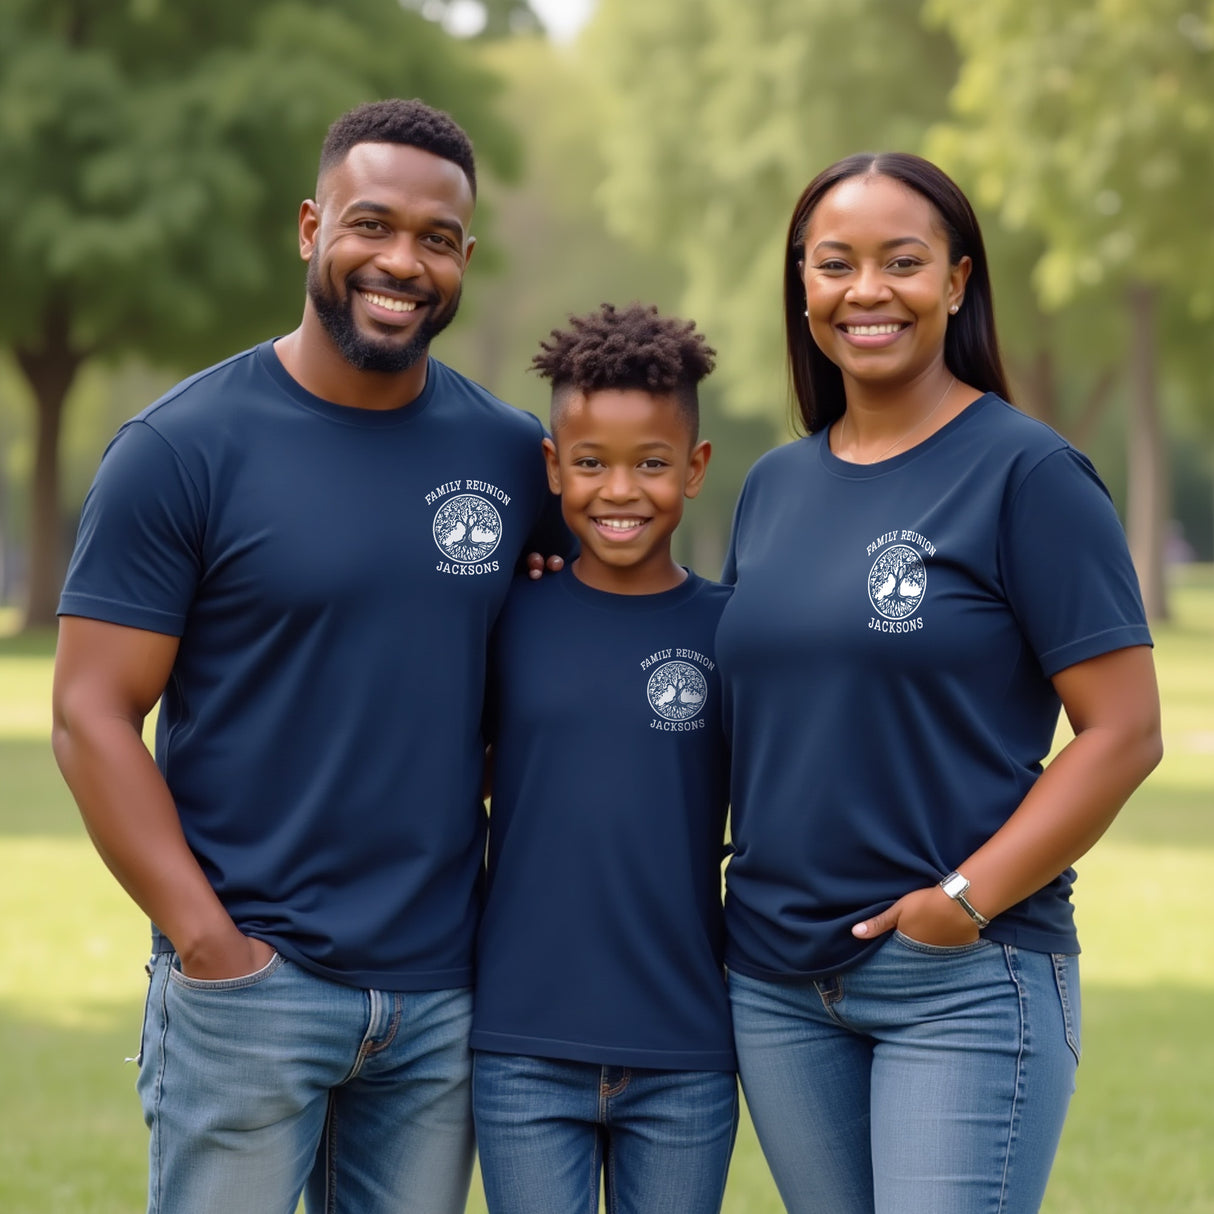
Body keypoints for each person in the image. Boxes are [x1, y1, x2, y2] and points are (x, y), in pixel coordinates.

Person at [50, 98, 568, 1214]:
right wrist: (209, 946)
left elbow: (557, 669)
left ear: (465, 258)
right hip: (250, 988)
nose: (401, 261)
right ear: (307, 228)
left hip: (439, 998)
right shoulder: (179, 450)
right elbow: (91, 714)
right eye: (369, 224)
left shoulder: (517, 458)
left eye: (435, 240)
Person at [714, 153, 1163, 1214]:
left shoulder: (1026, 473)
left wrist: (959, 902)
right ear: (802, 286)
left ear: (956, 281)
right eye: (834, 264)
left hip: (956, 978)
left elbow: (1123, 730)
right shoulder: (773, 485)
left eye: (899, 261)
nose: (864, 290)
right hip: (777, 984)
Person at [470, 303, 738, 1214]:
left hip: (686, 1052)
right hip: (522, 1049)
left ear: (694, 469)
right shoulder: (507, 616)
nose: (618, 490)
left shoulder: (728, 631)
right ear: (554, 467)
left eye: (650, 464)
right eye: (589, 464)